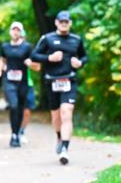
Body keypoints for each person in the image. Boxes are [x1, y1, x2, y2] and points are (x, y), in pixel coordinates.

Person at [31, 10, 87, 165]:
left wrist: (80, 63)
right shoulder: (48, 39)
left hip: (69, 80)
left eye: (66, 22)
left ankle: (65, 149)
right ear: (56, 22)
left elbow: (84, 56)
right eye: (61, 22)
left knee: (66, 112)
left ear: (70, 23)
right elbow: (34, 56)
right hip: (52, 81)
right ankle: (59, 136)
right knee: (56, 117)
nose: (64, 24)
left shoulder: (76, 40)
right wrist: (49, 58)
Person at [0, 22, 38, 147]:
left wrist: (31, 64)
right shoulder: (5, 47)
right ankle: (14, 134)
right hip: (9, 81)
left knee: (20, 108)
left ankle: (17, 133)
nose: (15, 32)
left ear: (21, 32)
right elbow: (2, 59)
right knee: (13, 105)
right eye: (13, 30)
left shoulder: (27, 47)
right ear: (10, 32)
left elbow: (37, 65)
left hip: (23, 82)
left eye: (18, 30)